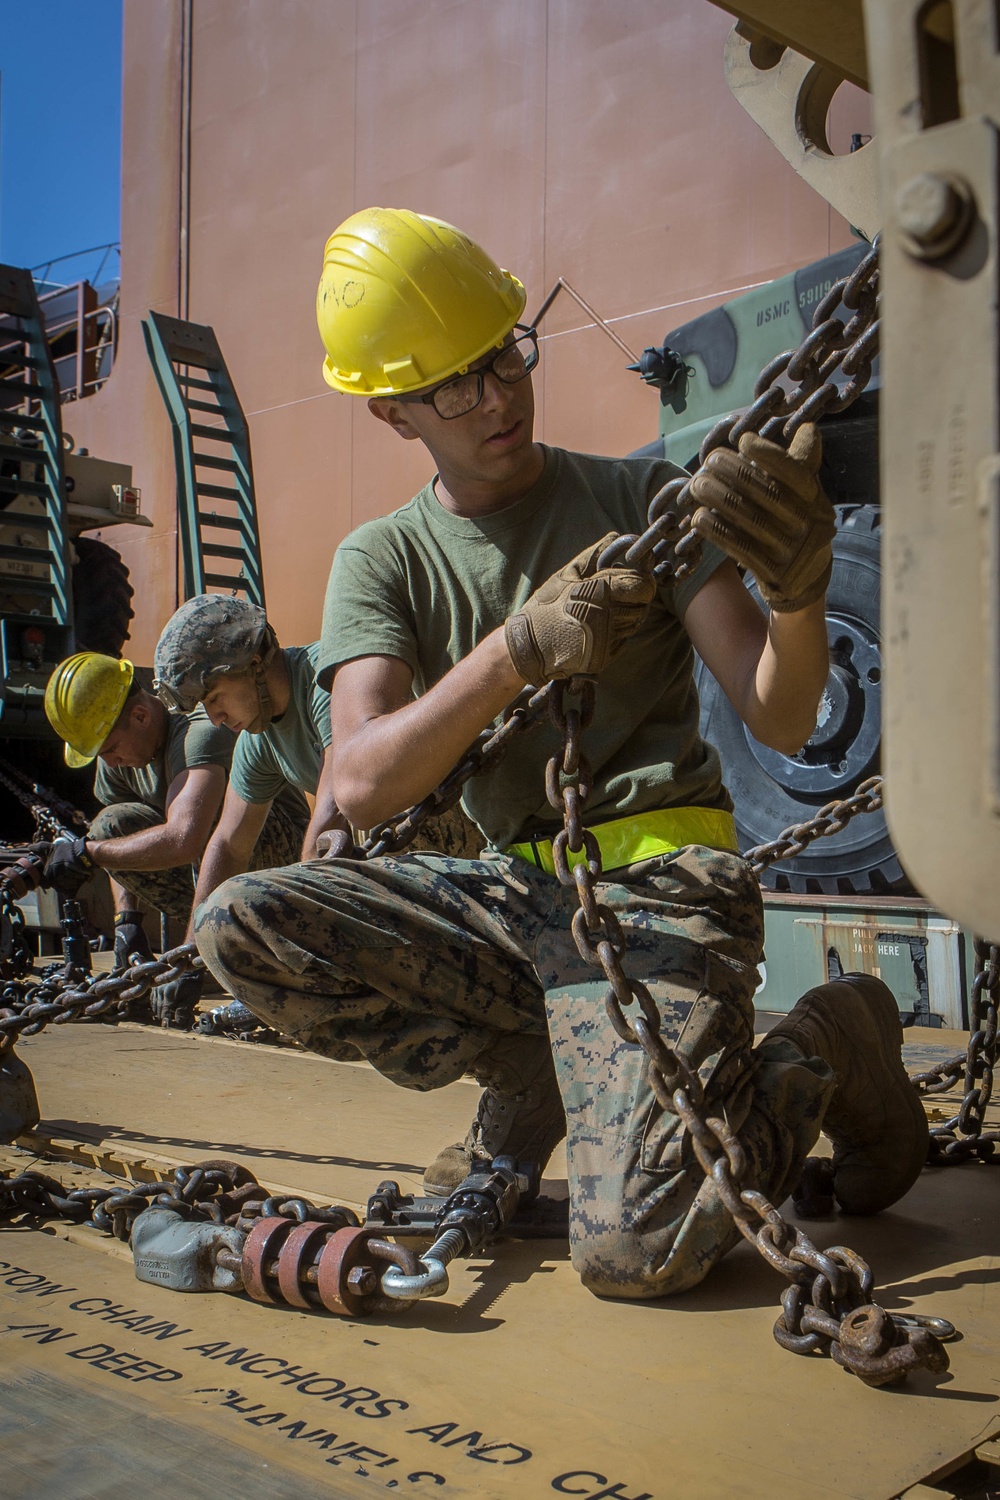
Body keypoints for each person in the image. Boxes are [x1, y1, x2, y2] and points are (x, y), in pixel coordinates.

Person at [194, 209, 927, 1300]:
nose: (496, 396)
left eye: (501, 355)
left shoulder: (639, 503)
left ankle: (829, 1041)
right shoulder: (383, 560)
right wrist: (516, 649)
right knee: (241, 923)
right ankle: (535, 1060)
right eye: (452, 384)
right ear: (391, 411)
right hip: (507, 904)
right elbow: (358, 777)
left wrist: (801, 594)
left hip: (660, 887)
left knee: (635, 1251)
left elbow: (779, 718)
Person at [152, 594, 484, 942]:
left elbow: (335, 806)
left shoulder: (330, 678)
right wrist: (194, 950)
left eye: (215, 698)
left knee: (363, 812)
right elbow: (229, 845)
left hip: (456, 821)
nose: (216, 719)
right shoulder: (259, 738)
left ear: (252, 663)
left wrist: (299, 912)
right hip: (417, 855)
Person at [43, 650, 308, 1025]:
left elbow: (187, 838)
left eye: (111, 750)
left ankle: (212, 946)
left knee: (203, 810)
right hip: (209, 871)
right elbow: (117, 838)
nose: (110, 762)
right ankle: (210, 938)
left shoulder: (198, 732)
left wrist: (186, 956)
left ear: (140, 716)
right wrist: (127, 921)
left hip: (276, 860)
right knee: (110, 825)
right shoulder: (117, 759)